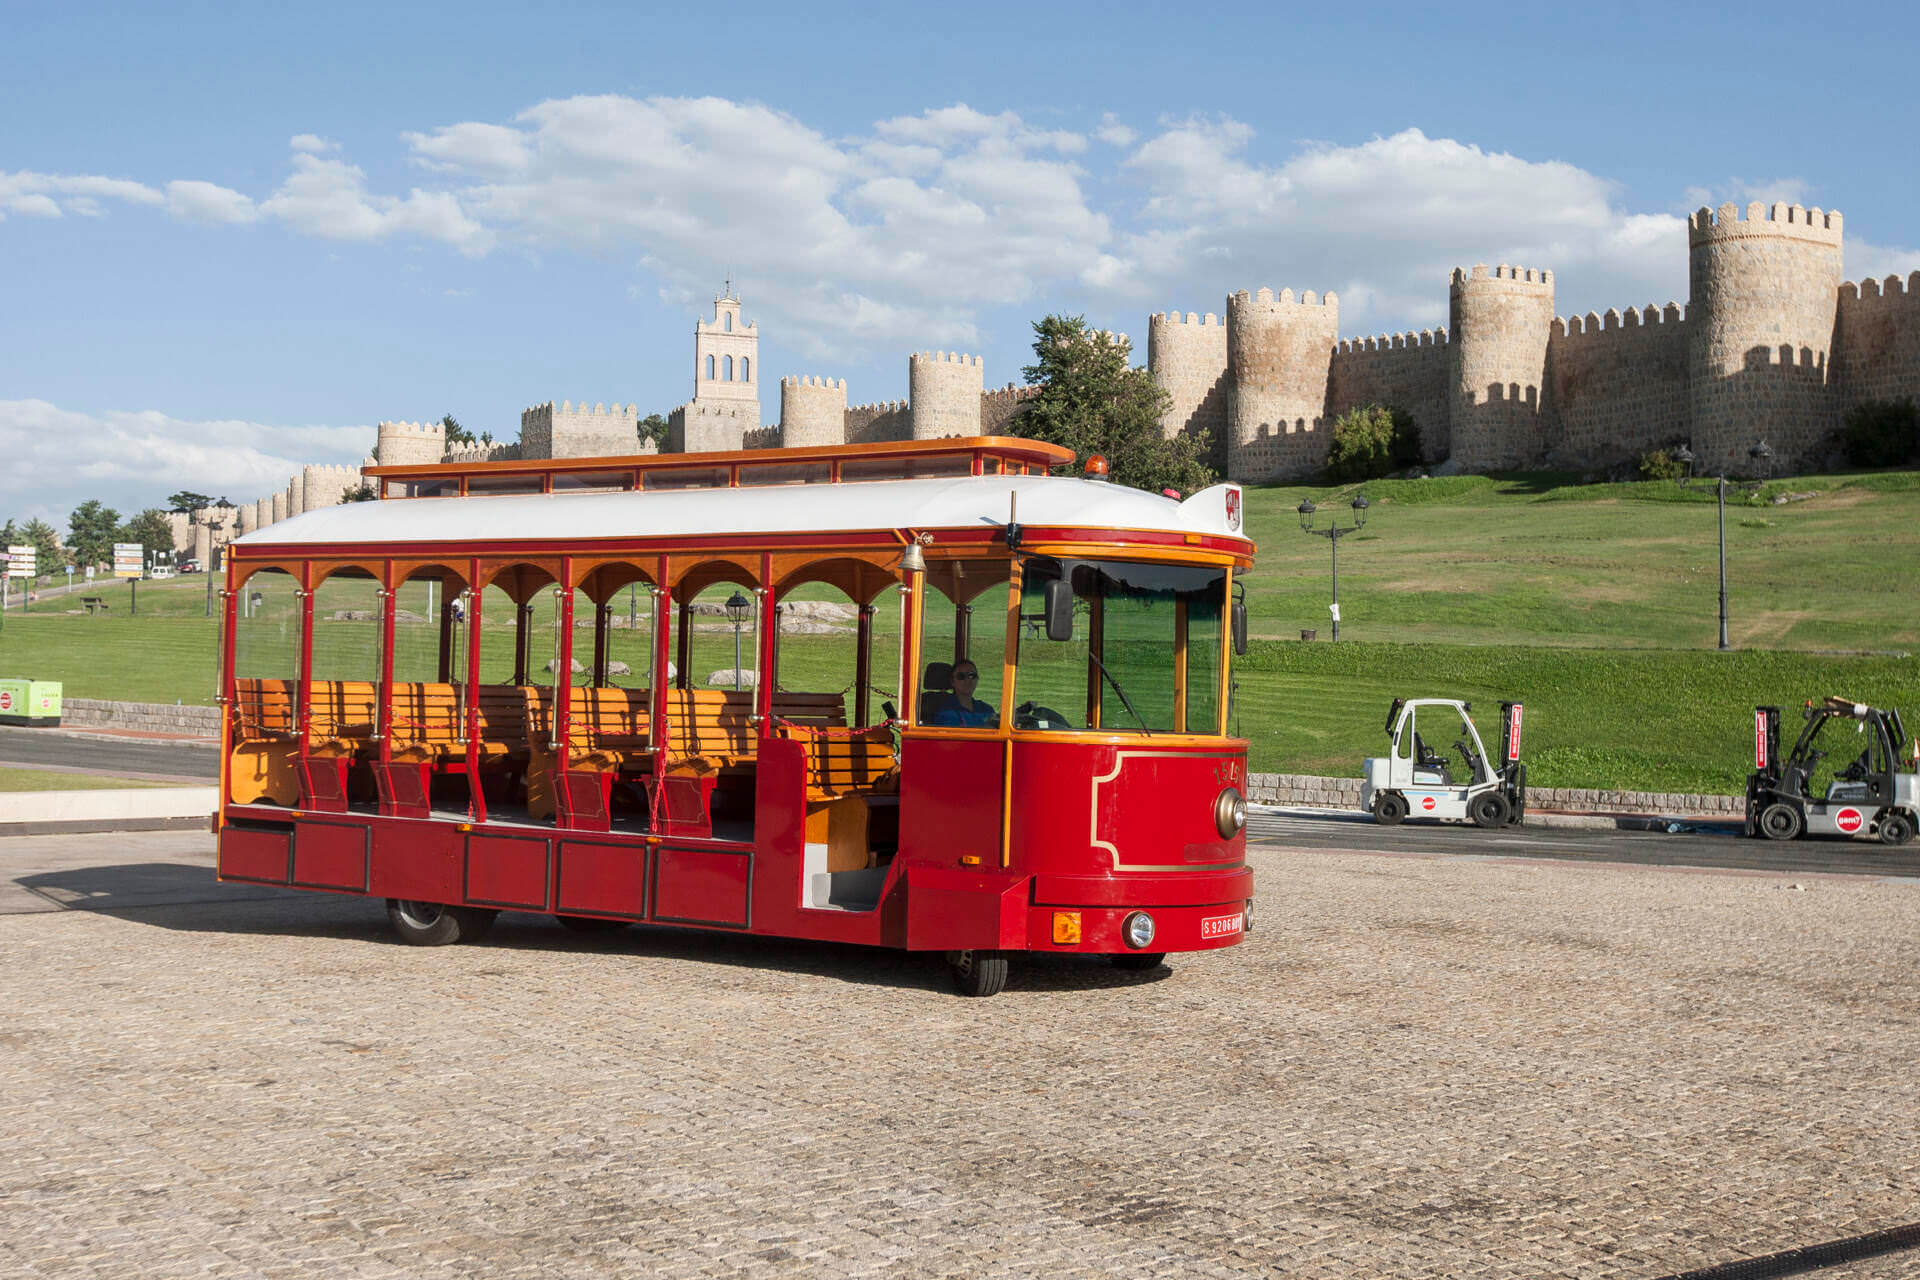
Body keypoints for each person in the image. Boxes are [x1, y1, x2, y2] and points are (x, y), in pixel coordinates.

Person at [929, 661, 996, 727]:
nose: (967, 680)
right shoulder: (946, 712)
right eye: (961, 676)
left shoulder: (987, 710)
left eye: (971, 675)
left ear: (977, 679)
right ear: (952, 682)